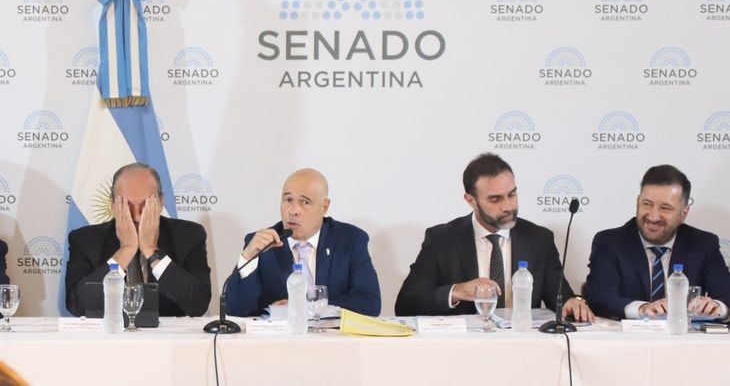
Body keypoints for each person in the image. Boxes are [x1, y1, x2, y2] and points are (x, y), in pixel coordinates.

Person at [395, 153, 593, 321]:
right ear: (471, 200)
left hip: (525, 348)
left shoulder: (539, 240)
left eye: (512, 194)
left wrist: (573, 303)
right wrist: (456, 291)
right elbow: (406, 304)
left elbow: (561, 297)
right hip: (462, 350)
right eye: (495, 199)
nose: (508, 206)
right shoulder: (442, 239)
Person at [225, 168, 381, 317]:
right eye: (288, 200)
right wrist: (248, 257)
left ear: (324, 207)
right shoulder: (261, 244)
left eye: (305, 202)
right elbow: (236, 310)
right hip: (278, 341)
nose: (293, 210)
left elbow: (369, 303)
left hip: (333, 341)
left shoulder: (350, 240)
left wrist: (307, 307)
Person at [65, 163, 211, 317]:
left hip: (167, 339)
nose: (136, 216)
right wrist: (126, 250)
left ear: (161, 202)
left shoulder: (189, 235)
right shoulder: (85, 240)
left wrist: (152, 251)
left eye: (145, 205)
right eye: (127, 205)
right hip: (110, 337)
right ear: (113, 204)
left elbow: (198, 304)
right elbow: (77, 305)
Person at [586, 164, 730, 320]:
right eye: (647, 204)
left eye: (665, 207)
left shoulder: (703, 244)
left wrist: (716, 307)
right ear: (637, 203)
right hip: (628, 341)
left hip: (685, 339)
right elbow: (600, 297)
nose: (653, 217)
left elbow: (726, 295)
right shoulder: (610, 242)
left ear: (683, 213)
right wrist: (642, 309)